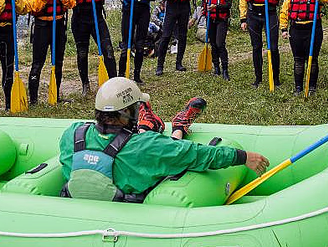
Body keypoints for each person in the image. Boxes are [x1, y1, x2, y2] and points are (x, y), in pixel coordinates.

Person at [59, 77, 270, 202]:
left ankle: (150, 124)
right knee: (166, 149)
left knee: (139, 141)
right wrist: (243, 157)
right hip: (136, 184)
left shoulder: (73, 135)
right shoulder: (147, 146)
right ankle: (177, 127)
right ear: (128, 111)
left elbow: (110, 144)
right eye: (136, 108)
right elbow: (196, 154)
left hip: (134, 149)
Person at [21, 0, 76, 103]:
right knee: (37, 63)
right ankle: (33, 99)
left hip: (58, 25)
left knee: (58, 62)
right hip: (42, 26)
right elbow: (33, 7)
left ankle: (56, 95)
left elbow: (72, 3)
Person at [64, 0, 118, 94]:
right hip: (80, 18)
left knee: (108, 49)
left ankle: (114, 82)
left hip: (97, 18)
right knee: (82, 53)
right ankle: (85, 84)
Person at [280, 0, 328, 94]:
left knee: (312, 59)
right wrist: (284, 28)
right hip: (296, 28)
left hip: (313, 28)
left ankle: (312, 86)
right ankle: (298, 87)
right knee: (298, 59)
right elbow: (285, 10)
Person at [239, 0, 286, 88]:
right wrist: (243, 18)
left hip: (269, 14)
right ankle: (258, 78)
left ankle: (275, 78)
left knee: (273, 47)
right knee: (256, 47)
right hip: (253, 14)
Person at [110, 0, 157, 82]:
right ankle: (121, 76)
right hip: (128, 11)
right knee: (126, 45)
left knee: (140, 46)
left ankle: (137, 76)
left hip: (143, 12)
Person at [203, 0, 235, 80]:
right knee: (213, 44)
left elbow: (228, 4)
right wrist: (204, 9)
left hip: (222, 19)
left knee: (220, 43)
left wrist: (216, 7)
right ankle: (216, 68)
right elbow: (204, 1)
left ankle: (225, 69)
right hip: (210, 18)